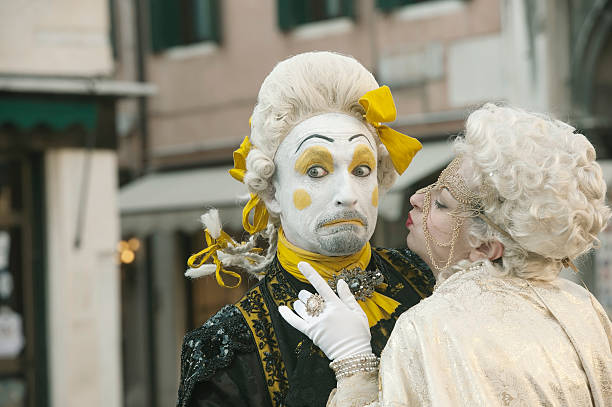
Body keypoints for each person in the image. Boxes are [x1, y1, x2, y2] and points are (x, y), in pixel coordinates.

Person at [280, 103, 612, 406]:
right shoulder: (582, 307)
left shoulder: (431, 328)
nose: (417, 199)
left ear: (488, 245)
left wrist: (353, 361)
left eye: (442, 203)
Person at [176, 51, 435, 407]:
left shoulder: (430, 282)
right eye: (316, 171)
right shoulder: (229, 348)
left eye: (361, 170)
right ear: (272, 192)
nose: (348, 196)